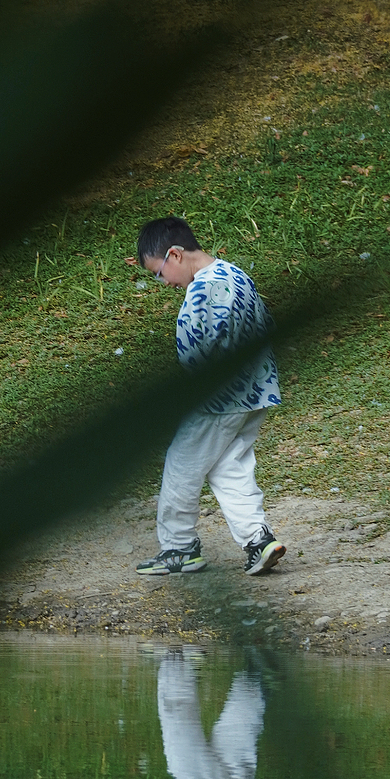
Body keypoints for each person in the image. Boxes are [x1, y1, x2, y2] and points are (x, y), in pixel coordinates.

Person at [135, 216, 285, 577]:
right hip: (256, 392)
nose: (163, 282)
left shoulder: (205, 289)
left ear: (175, 254)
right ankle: (258, 541)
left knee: (182, 465)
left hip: (220, 399)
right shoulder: (235, 275)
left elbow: (205, 351)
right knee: (229, 464)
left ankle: (178, 548)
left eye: (159, 273)